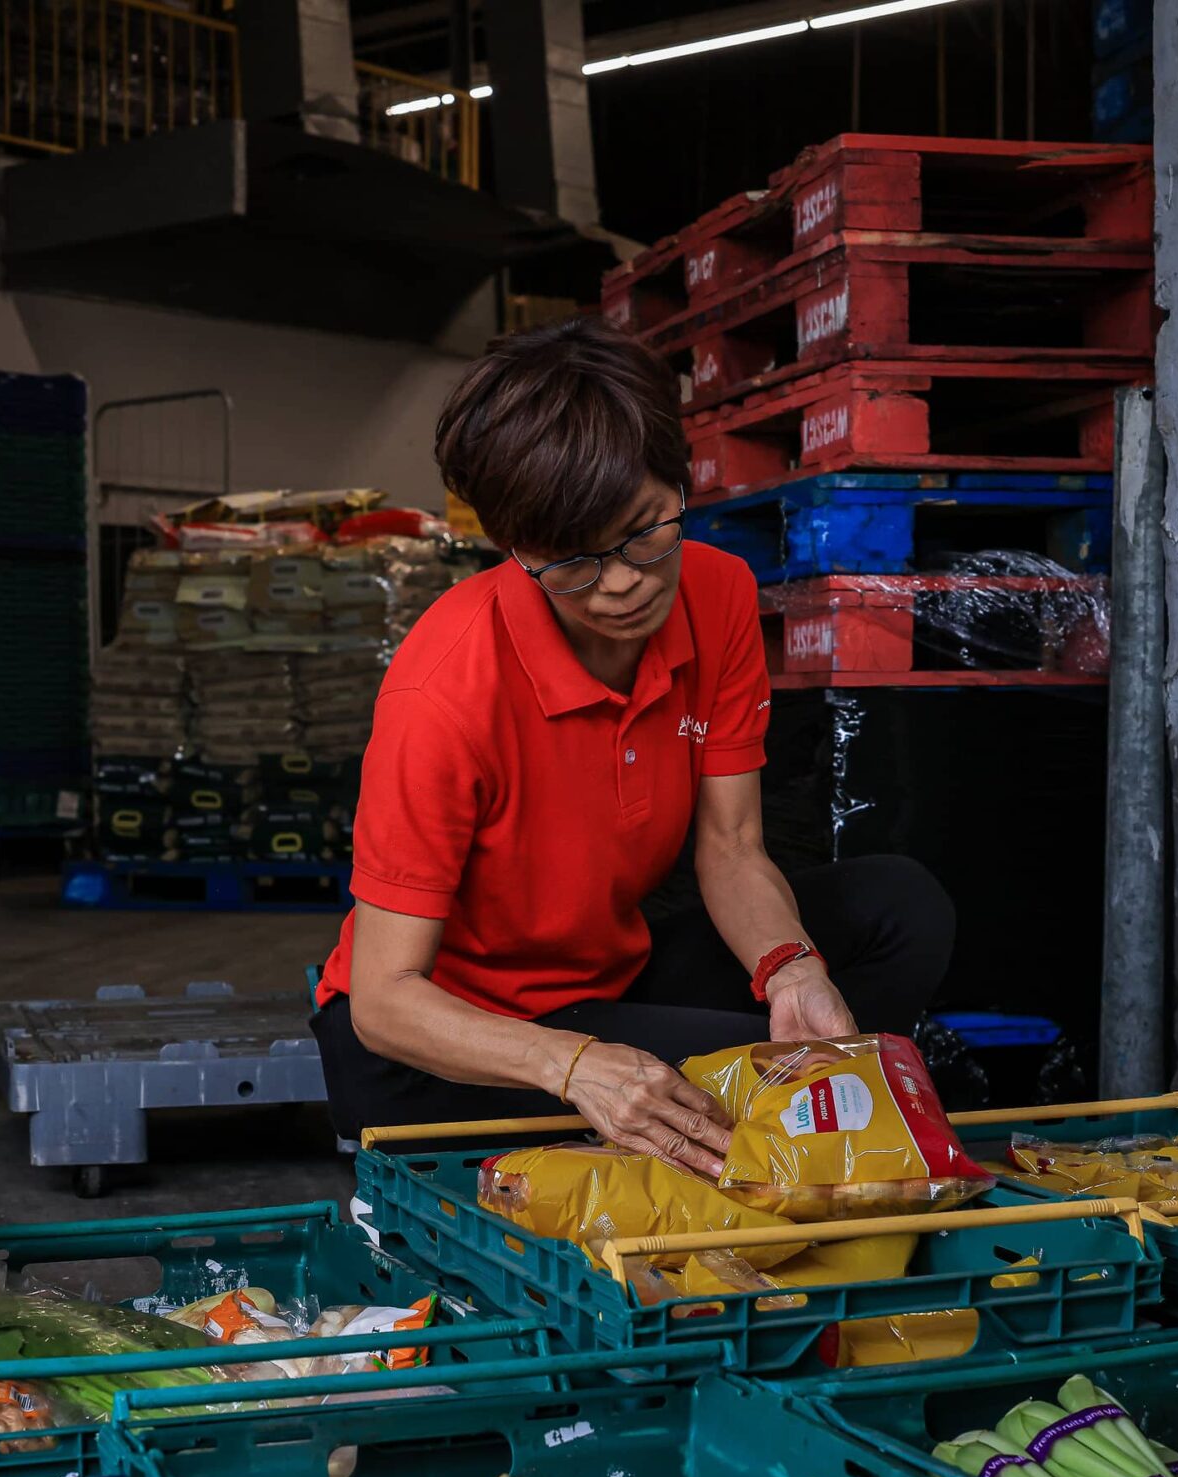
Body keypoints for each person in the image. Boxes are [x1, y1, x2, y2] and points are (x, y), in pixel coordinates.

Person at [311, 319, 954, 1173]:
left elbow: (730, 846)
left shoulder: (718, 596)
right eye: (571, 564)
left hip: (603, 983)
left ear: (678, 484)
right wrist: (576, 1066)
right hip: (445, 1045)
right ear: (515, 549)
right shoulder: (445, 689)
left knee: (897, 909)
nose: (620, 585)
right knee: (725, 1080)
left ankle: (775, 1136)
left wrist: (791, 970)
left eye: (645, 532)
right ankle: (750, 1143)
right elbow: (384, 1004)